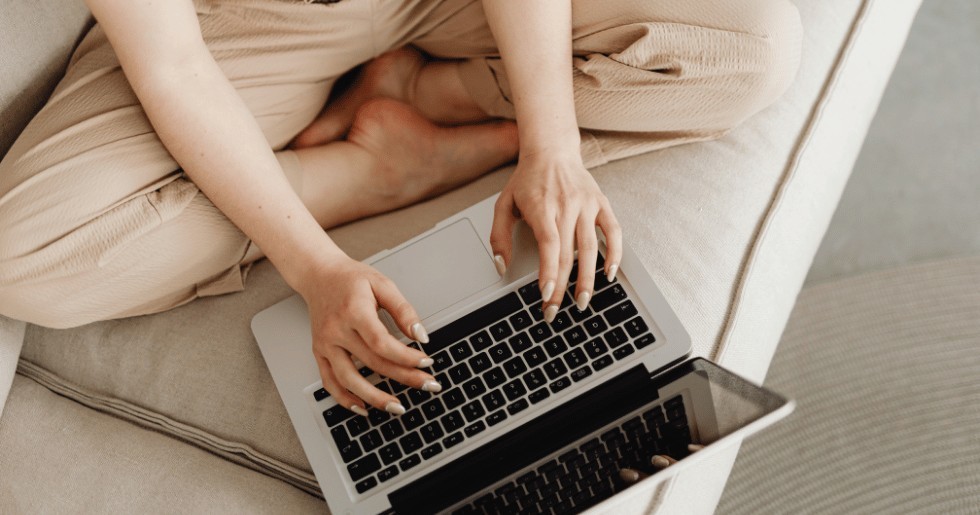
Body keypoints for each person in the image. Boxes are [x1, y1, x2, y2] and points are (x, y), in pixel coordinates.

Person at [0, 0, 801, 417]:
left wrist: (551, 146)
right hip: (238, 29)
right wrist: (315, 264)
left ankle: (432, 92)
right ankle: (369, 173)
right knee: (22, 262)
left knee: (749, 48)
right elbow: (173, 66)